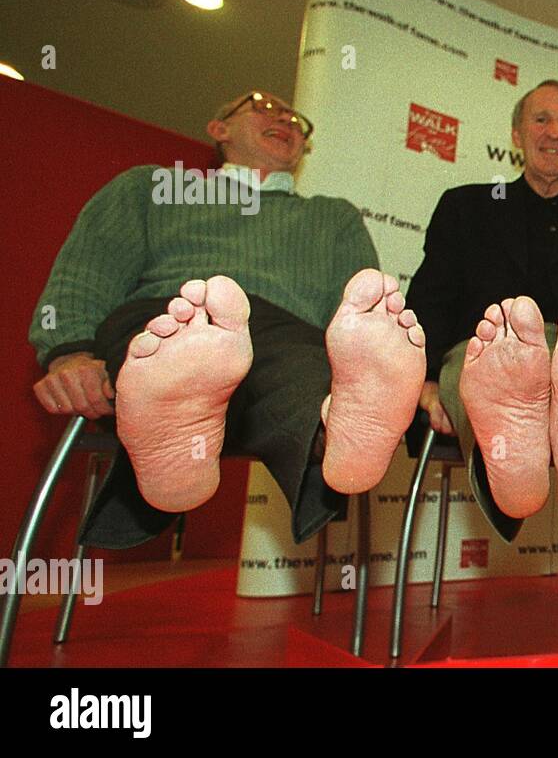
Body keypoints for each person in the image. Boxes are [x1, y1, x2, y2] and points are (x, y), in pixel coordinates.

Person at [28, 90, 425, 550]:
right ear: (219, 129)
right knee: (181, 341)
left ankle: (334, 430)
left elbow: (358, 315)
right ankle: (223, 428)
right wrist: (68, 351)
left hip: (285, 339)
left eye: (296, 119)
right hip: (169, 316)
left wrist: (359, 360)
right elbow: (89, 268)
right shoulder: (150, 187)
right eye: (262, 105)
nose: (286, 120)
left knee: (303, 365)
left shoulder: (333, 217)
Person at [405, 80, 558, 542]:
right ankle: (526, 454)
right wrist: (426, 381)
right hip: (483, 351)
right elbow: (432, 296)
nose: (554, 132)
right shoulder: (464, 207)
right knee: (485, 365)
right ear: (516, 134)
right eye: (541, 119)